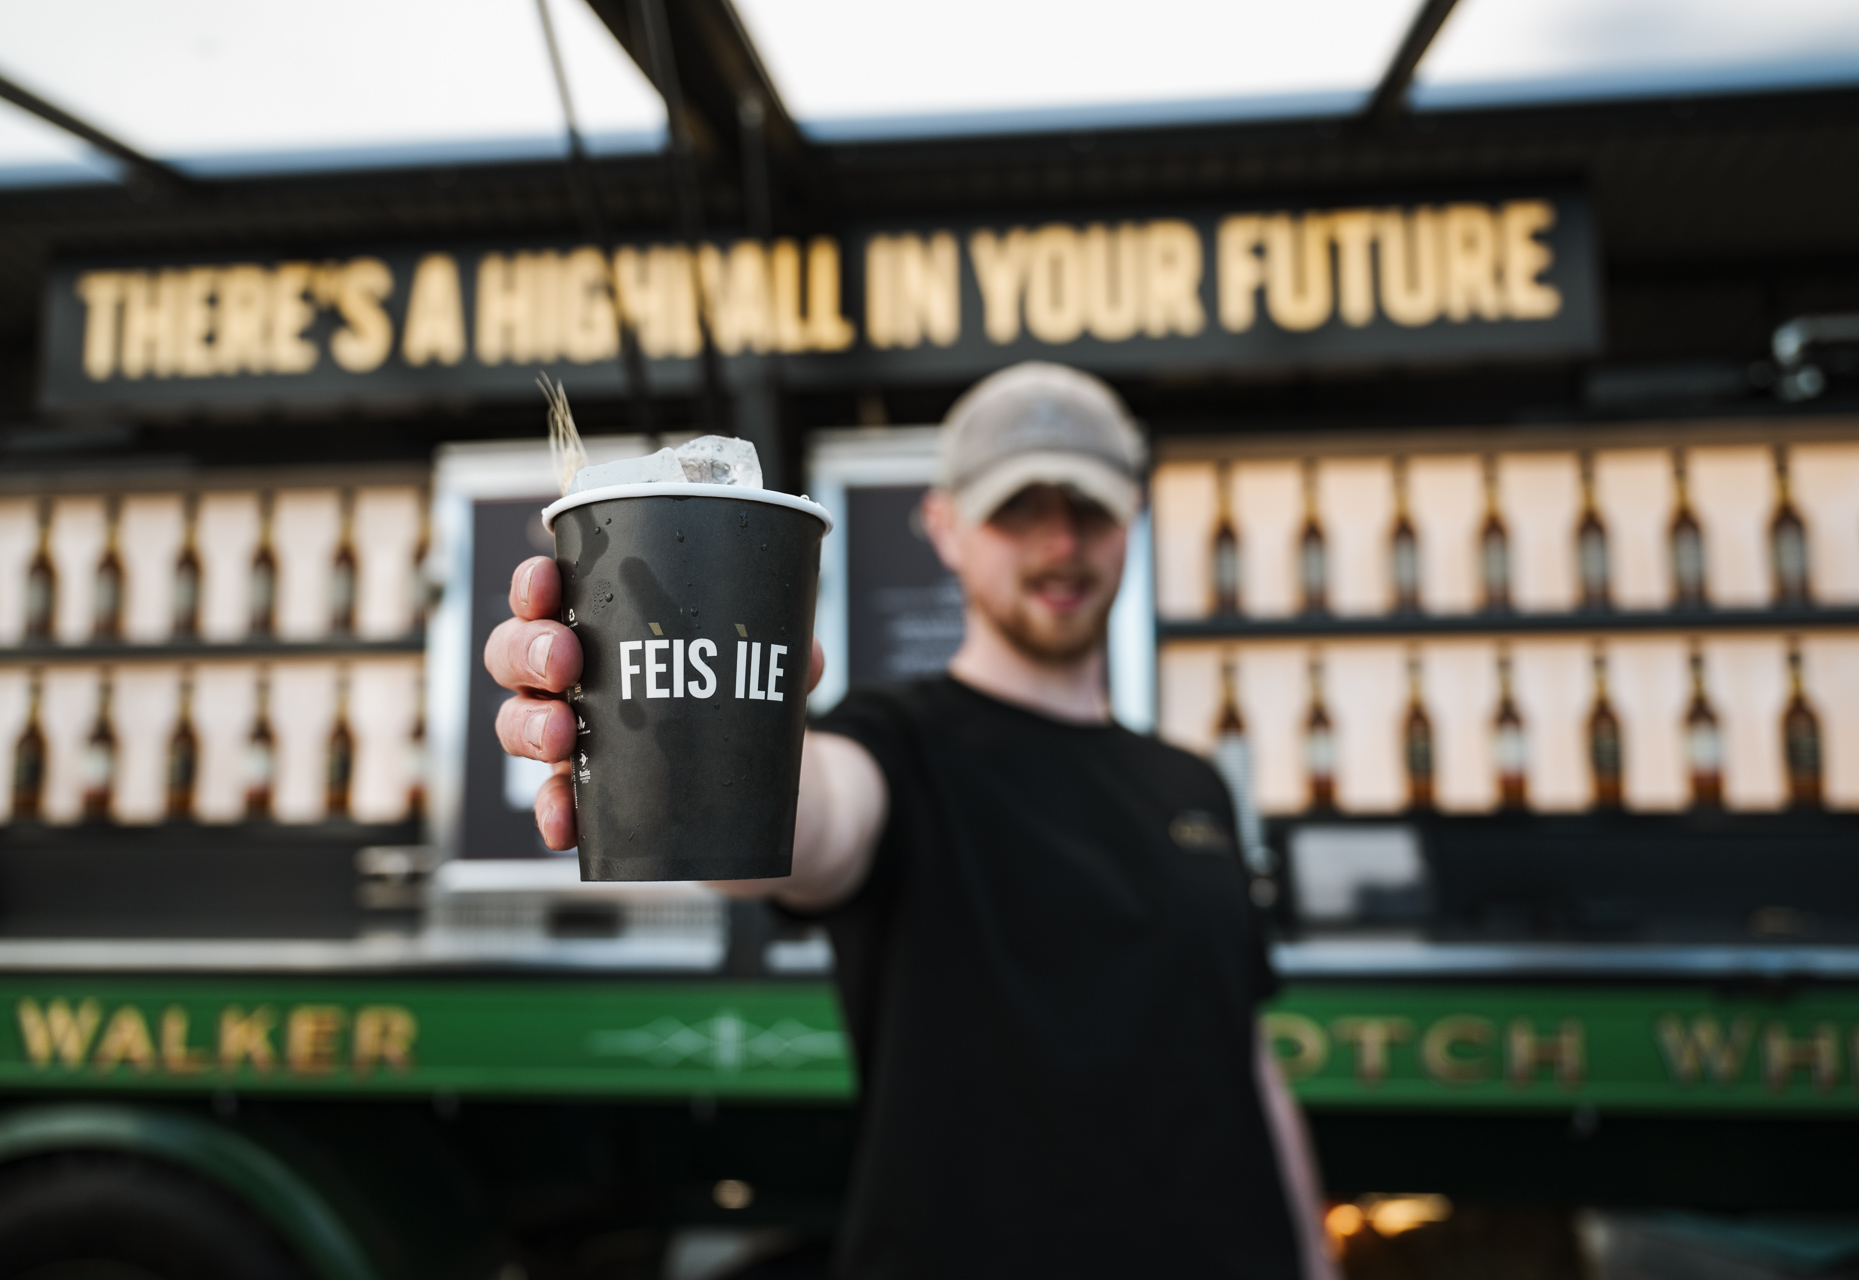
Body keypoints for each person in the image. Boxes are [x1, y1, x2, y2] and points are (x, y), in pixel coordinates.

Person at [488, 362, 1337, 1280]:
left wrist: (1316, 1260)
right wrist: (693, 740)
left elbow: (1245, 1056)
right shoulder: (897, 746)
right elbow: (813, 825)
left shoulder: (1194, 784)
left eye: (1088, 509)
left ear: (1131, 521)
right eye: (1018, 510)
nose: (1060, 542)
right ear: (945, 527)